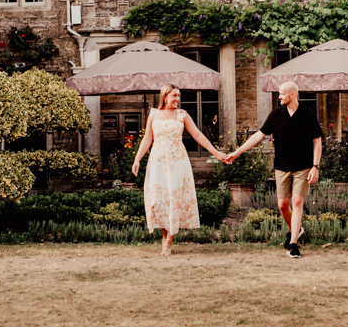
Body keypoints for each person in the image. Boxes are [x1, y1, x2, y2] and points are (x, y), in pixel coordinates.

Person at [226, 81, 322, 258]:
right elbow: (259, 135)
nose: (279, 97)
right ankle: (296, 229)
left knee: (298, 201)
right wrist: (238, 152)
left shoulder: (308, 115)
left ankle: (293, 244)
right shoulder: (276, 115)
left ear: (292, 95)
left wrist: (315, 167)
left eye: (282, 94)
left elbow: (317, 141)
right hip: (282, 167)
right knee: (283, 205)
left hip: (303, 166)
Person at [132, 83, 227, 256]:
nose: (177, 99)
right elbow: (147, 139)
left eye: (178, 96)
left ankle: (169, 240)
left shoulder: (182, 115)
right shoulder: (153, 114)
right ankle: (164, 233)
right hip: (157, 162)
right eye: (174, 95)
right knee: (157, 199)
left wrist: (216, 153)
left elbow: (197, 135)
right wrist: (137, 158)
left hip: (177, 162)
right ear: (165, 96)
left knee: (174, 198)